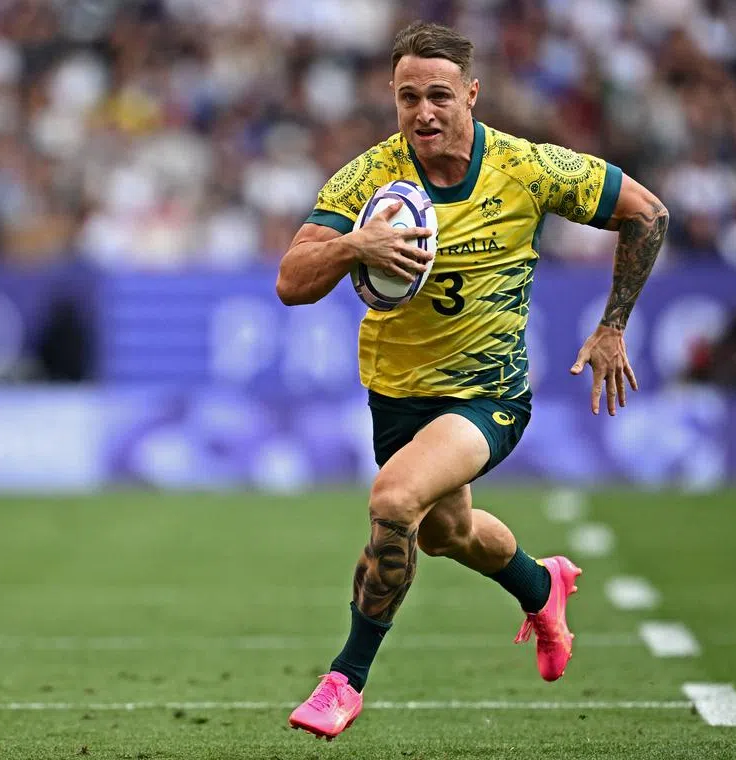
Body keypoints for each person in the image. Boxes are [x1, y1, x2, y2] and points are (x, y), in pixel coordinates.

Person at [275, 21, 668, 740]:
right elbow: (290, 282)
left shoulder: (526, 167)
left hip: (488, 396)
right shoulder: (369, 180)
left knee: (394, 501)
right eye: (406, 97)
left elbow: (647, 213)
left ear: (471, 94)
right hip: (396, 397)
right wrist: (355, 244)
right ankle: (541, 585)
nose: (423, 112)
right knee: (445, 532)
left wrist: (613, 324)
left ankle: (345, 679)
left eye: (438, 96)